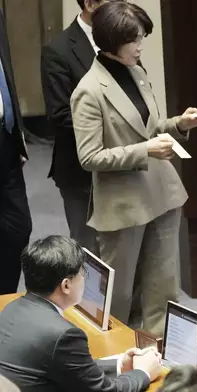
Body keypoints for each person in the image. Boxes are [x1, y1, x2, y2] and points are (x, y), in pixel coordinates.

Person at [71, 1, 197, 335]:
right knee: (118, 295)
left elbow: (147, 128)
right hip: (123, 206)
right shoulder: (88, 92)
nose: (140, 46)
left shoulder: (137, 72)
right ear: (111, 41)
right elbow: (89, 157)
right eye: (134, 40)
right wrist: (144, 150)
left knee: (163, 288)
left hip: (161, 194)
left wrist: (178, 124)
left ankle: (158, 356)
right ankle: (114, 359)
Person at [0, 235, 163, 392]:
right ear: (66, 286)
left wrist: (119, 363)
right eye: (82, 273)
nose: (84, 278)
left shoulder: (12, 308)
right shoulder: (64, 335)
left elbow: (69, 368)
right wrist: (144, 372)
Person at [41, 0, 124, 255]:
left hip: (124, 167)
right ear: (90, 4)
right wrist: (116, 127)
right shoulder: (58, 51)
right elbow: (61, 115)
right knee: (89, 253)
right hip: (82, 171)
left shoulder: (122, 39)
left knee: (124, 251)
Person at [0, 7, 32, 295]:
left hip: (6, 140)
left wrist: (16, 131)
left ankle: (4, 302)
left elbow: (6, 73)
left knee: (18, 229)